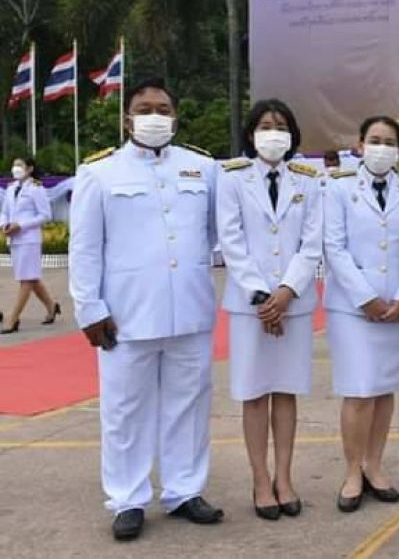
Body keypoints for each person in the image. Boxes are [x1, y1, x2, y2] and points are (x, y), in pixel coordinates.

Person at [69, 78, 224, 542]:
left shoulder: (203, 168)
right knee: (124, 411)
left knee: (188, 407)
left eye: (162, 109)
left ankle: (184, 490)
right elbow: (85, 249)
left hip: (189, 310)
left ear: (175, 117)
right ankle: (128, 499)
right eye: (144, 108)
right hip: (125, 316)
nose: (154, 116)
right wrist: (89, 309)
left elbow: (217, 234)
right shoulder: (99, 172)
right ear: (127, 119)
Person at [216, 99, 322, 521]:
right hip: (251, 308)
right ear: (250, 134)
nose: (273, 133)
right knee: (255, 393)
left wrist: (286, 292)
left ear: (292, 134)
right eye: (264, 125)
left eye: (281, 126)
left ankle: (285, 478)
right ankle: (260, 480)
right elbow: (231, 241)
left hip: (293, 305)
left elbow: (311, 243)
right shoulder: (232, 178)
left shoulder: (309, 180)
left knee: (286, 391)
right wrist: (262, 297)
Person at [324, 116, 399, 512]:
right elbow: (334, 246)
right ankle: (352, 472)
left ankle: (374, 465)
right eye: (374, 140)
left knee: (383, 389)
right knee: (359, 390)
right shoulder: (339, 187)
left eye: (389, 142)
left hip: (397, 306)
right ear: (359, 145)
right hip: (352, 307)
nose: (382, 148)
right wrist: (366, 298)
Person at [1, 157, 61, 333]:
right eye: (14, 165)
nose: (16, 168)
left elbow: (45, 215)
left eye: (20, 165)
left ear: (29, 169)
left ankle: (13, 318)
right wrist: (4, 224)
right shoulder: (11, 188)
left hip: (29, 239)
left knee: (26, 280)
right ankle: (51, 306)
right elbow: (4, 211)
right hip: (14, 239)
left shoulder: (36, 188)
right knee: (31, 278)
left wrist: (21, 225)